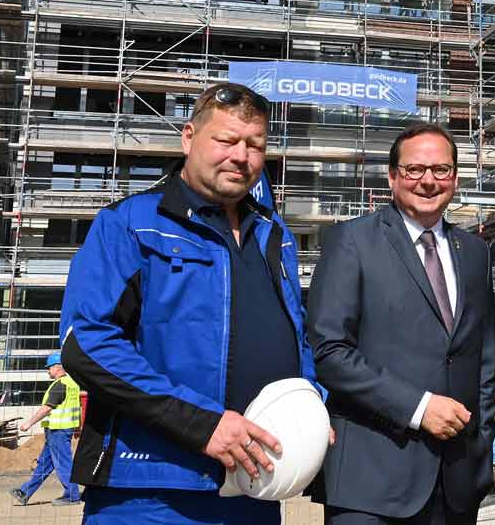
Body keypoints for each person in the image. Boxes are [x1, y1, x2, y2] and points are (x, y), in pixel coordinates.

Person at [59, 82, 322, 525]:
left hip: (253, 486)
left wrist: (310, 403)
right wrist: (203, 425)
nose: (241, 155)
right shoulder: (130, 224)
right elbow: (86, 343)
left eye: (255, 145)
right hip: (151, 491)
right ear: (188, 137)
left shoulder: (275, 235)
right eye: (226, 140)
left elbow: (298, 338)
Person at [307, 121, 495, 525]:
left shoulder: (475, 253)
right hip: (371, 481)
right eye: (414, 170)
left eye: (441, 170)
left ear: (455, 178)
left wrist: (480, 438)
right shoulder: (352, 241)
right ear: (393, 177)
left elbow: (483, 356)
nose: (428, 181)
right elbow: (330, 352)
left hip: (456, 482)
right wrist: (419, 407)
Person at [10, 352, 82, 506]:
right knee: (44, 464)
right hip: (57, 431)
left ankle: (72, 495)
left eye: (49, 368)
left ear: (57, 368)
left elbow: (47, 408)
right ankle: (25, 492)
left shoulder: (60, 385)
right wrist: (77, 427)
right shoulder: (72, 384)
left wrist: (28, 423)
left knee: (63, 463)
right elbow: (78, 408)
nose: (47, 371)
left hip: (59, 431)